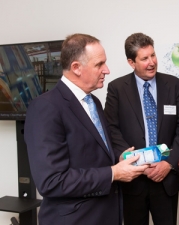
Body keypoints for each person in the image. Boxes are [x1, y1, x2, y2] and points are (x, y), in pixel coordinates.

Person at [24, 33, 149, 225]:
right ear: (76, 68)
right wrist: (114, 173)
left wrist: (119, 157)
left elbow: (94, 151)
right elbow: (52, 181)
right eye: (99, 64)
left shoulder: (94, 102)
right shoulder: (45, 108)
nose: (106, 70)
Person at [104, 32, 179, 225]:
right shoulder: (117, 89)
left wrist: (168, 163)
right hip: (132, 181)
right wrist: (134, 163)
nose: (152, 62)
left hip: (166, 179)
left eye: (153, 55)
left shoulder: (173, 85)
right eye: (144, 58)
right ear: (131, 62)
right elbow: (111, 129)